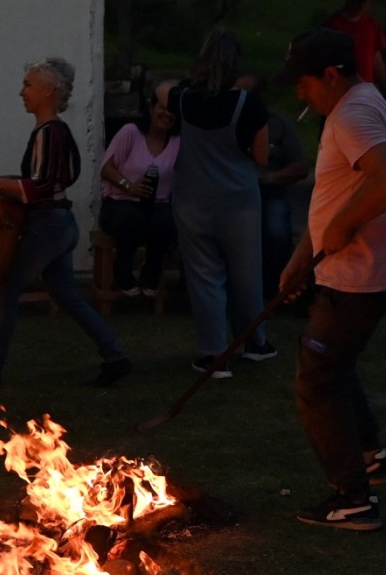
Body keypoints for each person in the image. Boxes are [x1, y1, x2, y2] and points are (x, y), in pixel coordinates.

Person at [275, 28, 386, 531]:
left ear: (331, 76)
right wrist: (304, 253)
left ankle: (353, 500)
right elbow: (336, 189)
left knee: (316, 377)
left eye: (305, 82)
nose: (299, 92)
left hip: (364, 272)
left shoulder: (354, 113)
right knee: (334, 363)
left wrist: (340, 227)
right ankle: (372, 456)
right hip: (364, 267)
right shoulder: (355, 104)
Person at [0, 57, 132, 389]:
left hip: (49, 225)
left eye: (28, 85)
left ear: (49, 90)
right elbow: (47, 180)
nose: (22, 92)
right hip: (57, 224)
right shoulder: (50, 132)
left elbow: (45, 185)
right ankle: (116, 357)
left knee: (7, 291)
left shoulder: (49, 133)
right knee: (67, 294)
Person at [161, 29, 273, 379]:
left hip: (193, 201)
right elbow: (262, 156)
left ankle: (213, 354)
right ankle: (255, 343)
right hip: (239, 202)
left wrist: (191, 81)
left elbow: (162, 89)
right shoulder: (249, 104)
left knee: (204, 277)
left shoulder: (184, 99)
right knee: (246, 275)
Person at [97, 83, 180, 297]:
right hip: (120, 200)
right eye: (161, 107)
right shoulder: (131, 132)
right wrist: (130, 186)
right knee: (130, 221)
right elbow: (106, 169)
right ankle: (122, 272)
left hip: (157, 202)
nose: (166, 113)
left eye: (171, 109)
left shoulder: (177, 142)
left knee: (166, 223)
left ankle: (151, 272)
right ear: (151, 108)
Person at [234, 73, 310, 303]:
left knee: (277, 232)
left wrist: (267, 178)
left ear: (261, 96)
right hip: (233, 198)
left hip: (269, 195)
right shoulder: (227, 123)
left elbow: (300, 166)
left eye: (246, 94)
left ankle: (270, 293)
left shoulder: (278, 124)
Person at [323, 0, 386, 107]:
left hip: (366, 94)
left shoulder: (372, 25)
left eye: (365, 2)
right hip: (340, 94)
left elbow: (377, 60)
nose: (361, 5)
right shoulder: (332, 25)